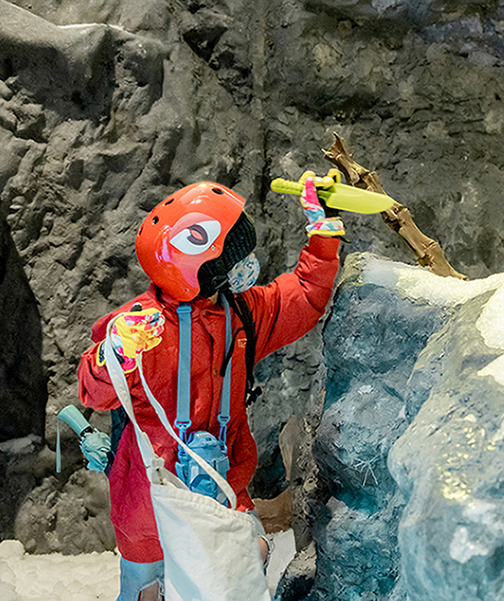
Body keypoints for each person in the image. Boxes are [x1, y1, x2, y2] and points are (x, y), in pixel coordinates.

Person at [76, 174, 343, 601]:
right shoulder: (141, 326)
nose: (245, 266)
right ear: (196, 268)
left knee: (247, 561)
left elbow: (305, 297)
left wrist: (323, 233)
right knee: (148, 592)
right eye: (231, 259)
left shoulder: (241, 314)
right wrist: (115, 353)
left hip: (222, 490)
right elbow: (93, 390)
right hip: (151, 507)